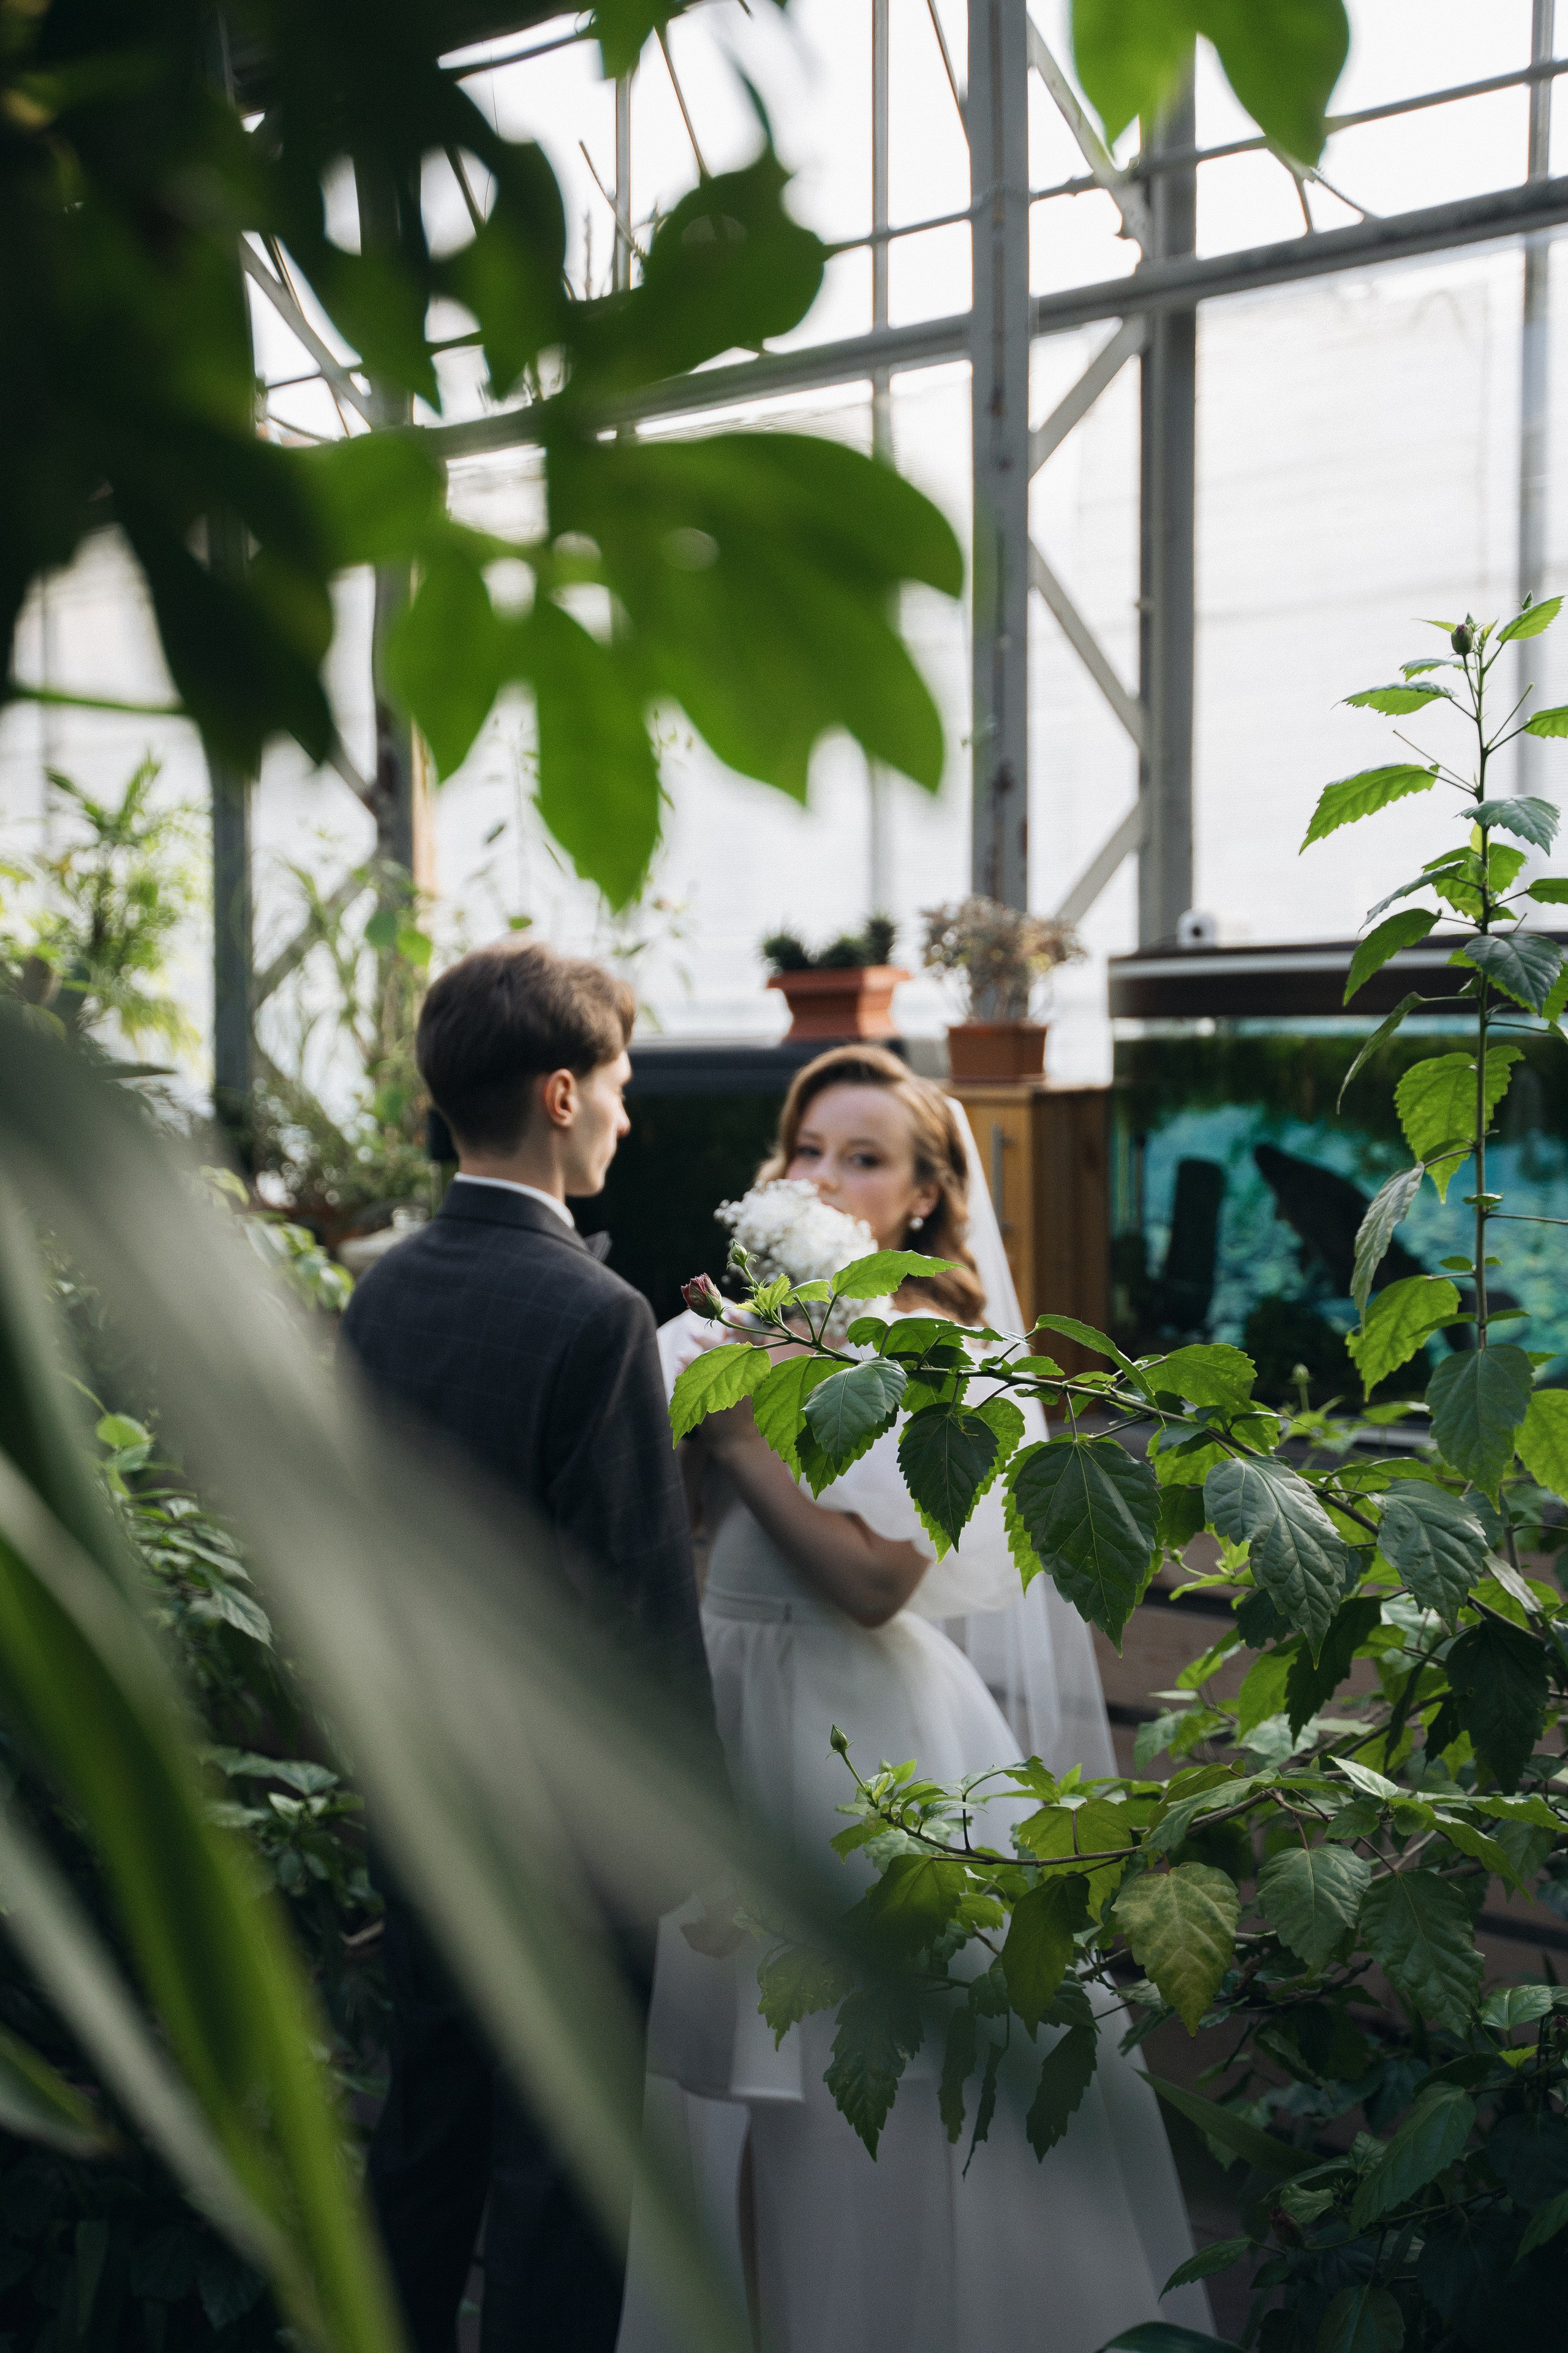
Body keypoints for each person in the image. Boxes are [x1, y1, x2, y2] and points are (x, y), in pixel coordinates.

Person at [624, 1045, 1212, 2353]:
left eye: (864, 1157)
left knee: (855, 2092)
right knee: (727, 2094)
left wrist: (733, 1433)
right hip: (725, 1706)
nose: (822, 1177)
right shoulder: (719, 1328)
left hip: (854, 1734)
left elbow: (877, 1579)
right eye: (807, 1149)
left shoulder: (926, 1357)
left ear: (923, 1203)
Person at [341, 939, 714, 2353]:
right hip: (569, 1831)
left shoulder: (384, 1291)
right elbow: (634, 1607)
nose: (631, 1111)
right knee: (564, 2183)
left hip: (426, 1795)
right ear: (561, 1093)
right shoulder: (594, 1315)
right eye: (620, 1081)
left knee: (427, 2136)